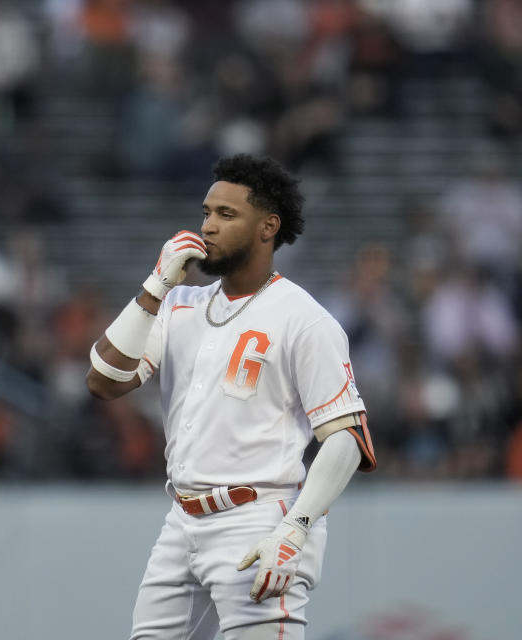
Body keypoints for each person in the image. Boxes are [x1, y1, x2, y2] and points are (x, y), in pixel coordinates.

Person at [86, 154, 376, 640]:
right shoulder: (180, 302)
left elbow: (346, 437)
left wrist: (297, 527)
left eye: (226, 215)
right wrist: (155, 286)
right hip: (182, 519)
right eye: (206, 212)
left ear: (268, 226)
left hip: (259, 519)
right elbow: (104, 380)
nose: (208, 226)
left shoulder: (303, 317)